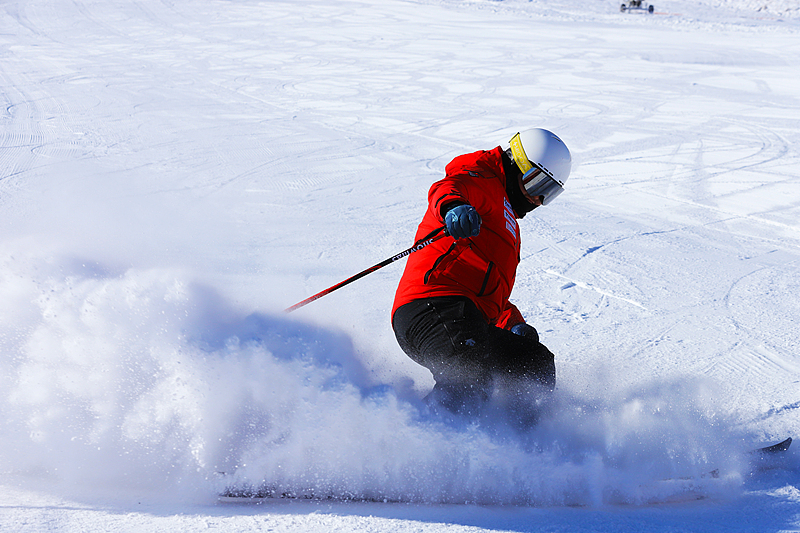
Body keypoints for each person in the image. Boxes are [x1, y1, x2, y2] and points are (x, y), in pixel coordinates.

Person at [391, 128, 572, 425]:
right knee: (469, 375)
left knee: (533, 363)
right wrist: (454, 208)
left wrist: (513, 324)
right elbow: (448, 187)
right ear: (518, 164)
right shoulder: (482, 177)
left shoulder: (508, 223)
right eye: (537, 184)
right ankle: (409, 441)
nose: (538, 200)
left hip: (468, 319)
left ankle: (523, 445)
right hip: (430, 307)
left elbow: (489, 290)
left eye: (548, 193)